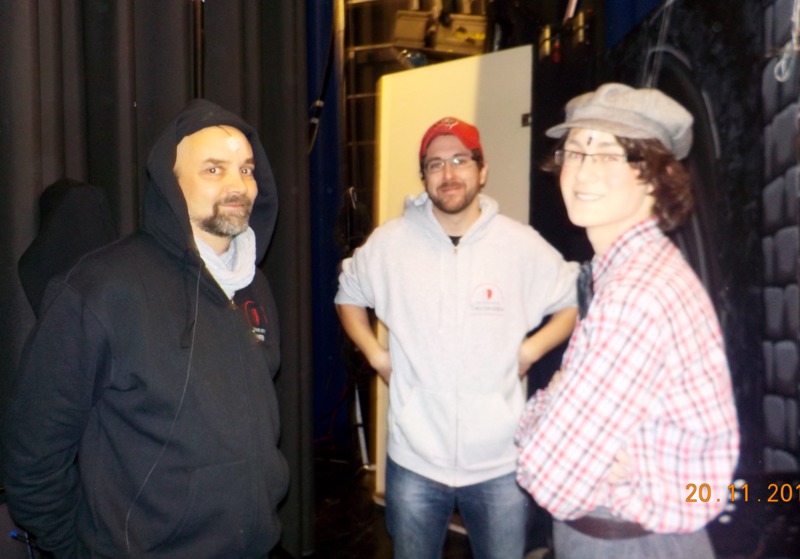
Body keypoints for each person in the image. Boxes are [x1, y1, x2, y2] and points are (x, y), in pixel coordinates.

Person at [2, 99, 288, 558]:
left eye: (247, 170)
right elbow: (33, 453)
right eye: (213, 169)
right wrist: (74, 549)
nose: (238, 185)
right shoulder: (102, 289)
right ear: (171, 182)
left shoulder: (252, 285)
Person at [335, 116, 579, 559]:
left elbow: (571, 300)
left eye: (460, 160)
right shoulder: (390, 244)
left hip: (499, 462)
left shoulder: (519, 245)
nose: (448, 173)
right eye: (435, 164)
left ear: (481, 170)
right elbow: (347, 294)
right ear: (424, 177)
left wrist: (532, 349)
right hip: (415, 461)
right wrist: (375, 354)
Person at [515, 83, 740, 558]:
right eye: (576, 150)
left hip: (632, 544)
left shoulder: (635, 295)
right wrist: (554, 408)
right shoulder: (630, 269)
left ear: (655, 177)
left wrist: (540, 412)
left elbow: (548, 476)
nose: (582, 171)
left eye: (608, 154)